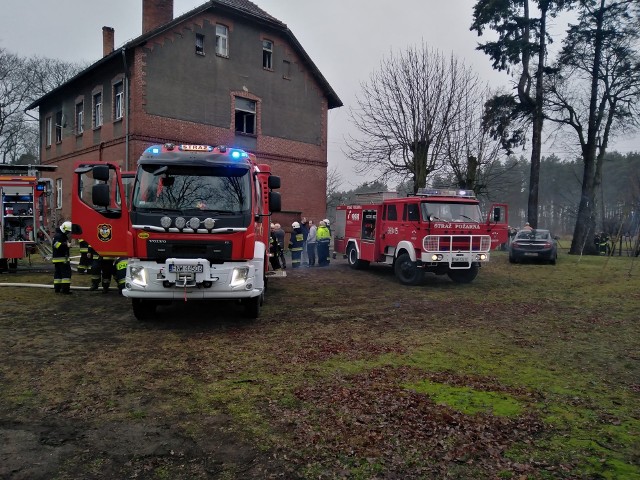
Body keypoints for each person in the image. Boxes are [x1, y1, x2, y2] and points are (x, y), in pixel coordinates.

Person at [52, 221, 73, 294]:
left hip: (58, 258)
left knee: (58, 274)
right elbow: (56, 245)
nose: (68, 232)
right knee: (66, 274)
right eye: (67, 231)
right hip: (61, 258)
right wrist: (66, 245)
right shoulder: (59, 236)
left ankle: (57, 288)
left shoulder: (60, 235)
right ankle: (65, 289)